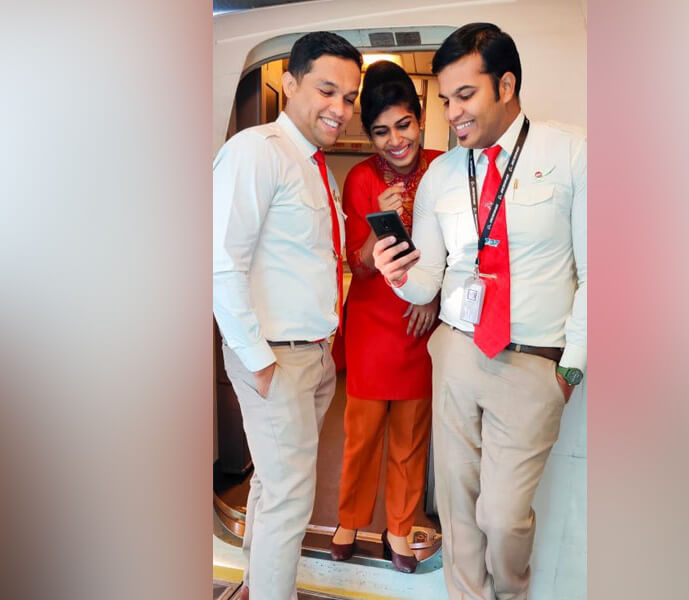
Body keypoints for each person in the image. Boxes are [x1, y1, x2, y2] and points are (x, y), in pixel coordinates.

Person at [372, 23, 586, 600]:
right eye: (445, 99)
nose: (453, 113)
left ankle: (511, 594)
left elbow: (598, 273)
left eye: (464, 95)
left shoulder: (571, 153)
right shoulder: (442, 175)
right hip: (457, 352)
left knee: (503, 516)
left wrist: (570, 368)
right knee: (457, 510)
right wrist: (398, 274)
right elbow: (427, 282)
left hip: (533, 362)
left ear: (506, 85)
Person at [212, 32, 362, 600]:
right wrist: (258, 360)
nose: (340, 108)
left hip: (312, 355)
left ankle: (257, 586)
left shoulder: (313, 165)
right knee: (291, 495)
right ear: (292, 84)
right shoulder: (257, 151)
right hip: (275, 356)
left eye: (349, 97)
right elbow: (221, 262)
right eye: (327, 90)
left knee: (274, 486)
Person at [327, 61, 443, 574]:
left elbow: (462, 253)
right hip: (373, 324)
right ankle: (349, 520)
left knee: (410, 439)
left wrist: (431, 299)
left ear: (421, 119)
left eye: (403, 125)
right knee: (362, 436)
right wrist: (379, 220)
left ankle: (399, 526)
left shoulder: (445, 168)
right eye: (380, 131)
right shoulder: (360, 178)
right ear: (369, 136)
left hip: (422, 327)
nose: (395, 141)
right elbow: (357, 263)